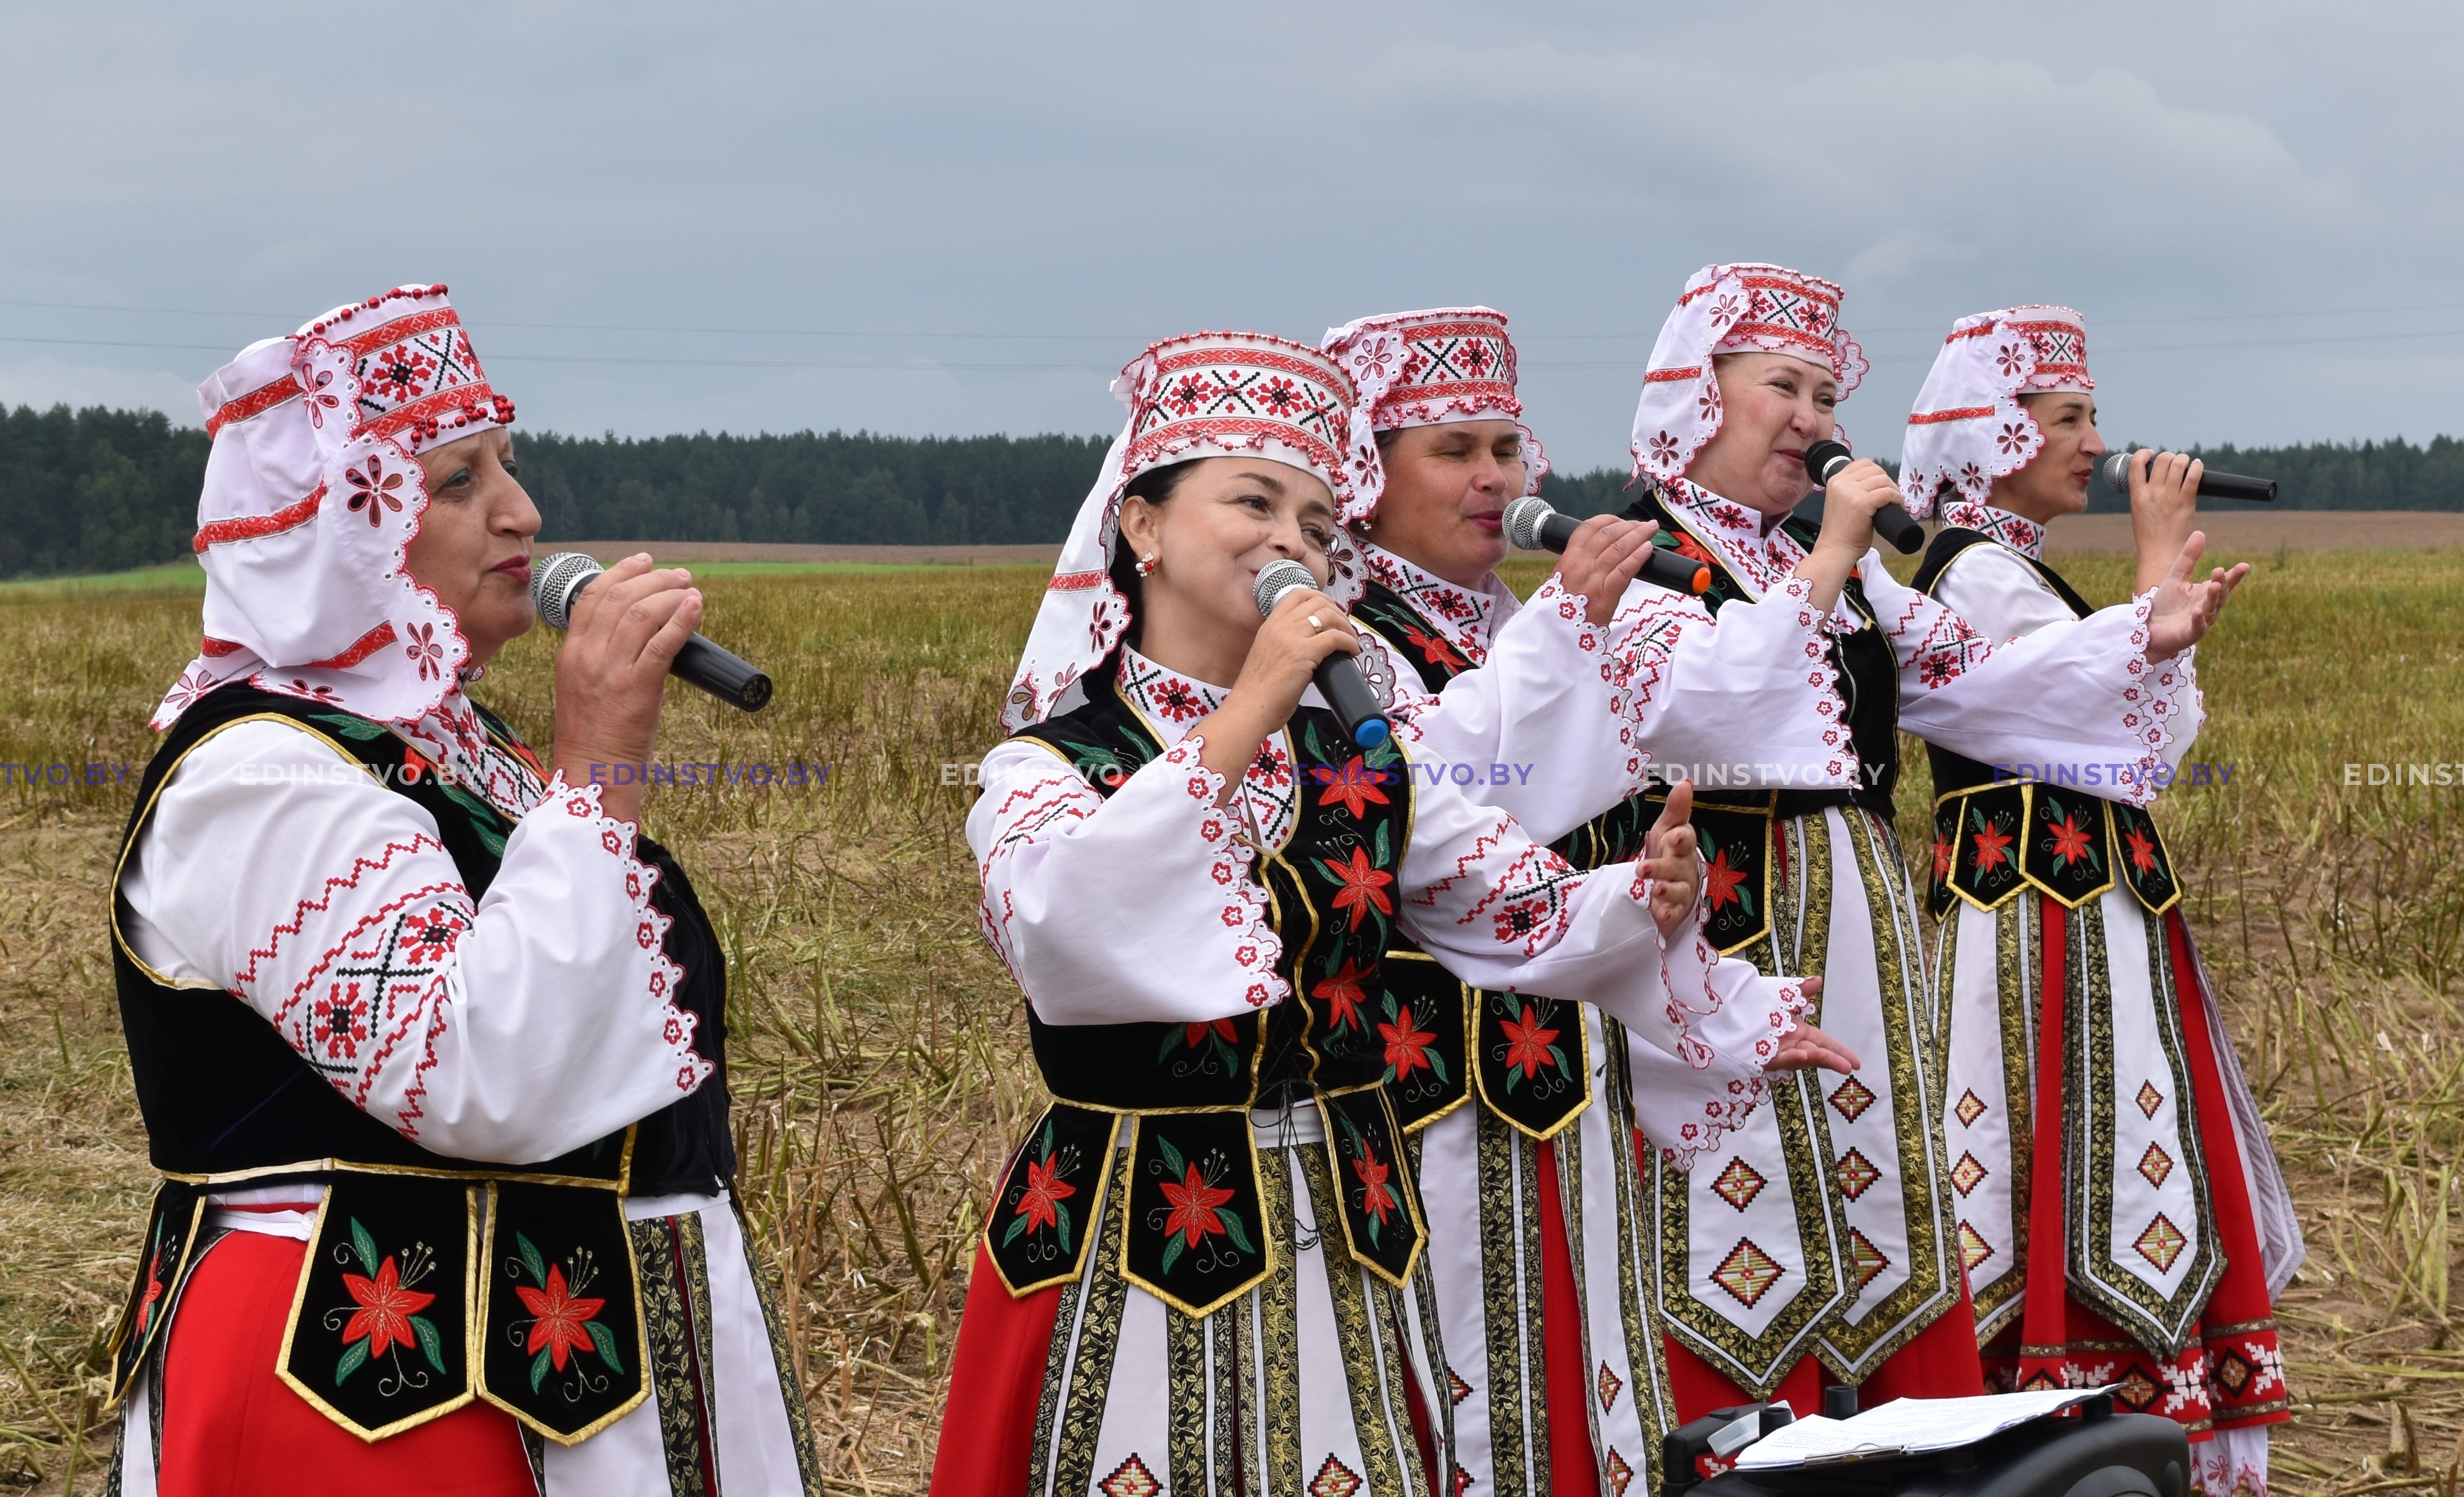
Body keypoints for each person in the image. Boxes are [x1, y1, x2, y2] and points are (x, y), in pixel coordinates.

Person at [930, 330, 1840, 1497]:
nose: (1287, 542)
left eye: (1314, 524)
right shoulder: (1046, 767)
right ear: (1141, 526)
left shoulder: (1361, 754)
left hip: (1339, 1222)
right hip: (1132, 1231)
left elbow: (1507, 899)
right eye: (1251, 501)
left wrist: (1640, 902)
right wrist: (1252, 701)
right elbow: (1063, 932)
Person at [105, 286, 817, 1496]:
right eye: (456, 482)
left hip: (560, 1361)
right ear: (345, 524)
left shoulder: (445, 740)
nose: (523, 512)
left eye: (509, 464)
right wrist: (597, 769)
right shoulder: (262, 776)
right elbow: (471, 1072)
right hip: (382, 1403)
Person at [1619, 263, 2245, 1425]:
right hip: (1717, 932)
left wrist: (2136, 638)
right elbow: (1703, 717)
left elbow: (1990, 687)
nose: (1811, 420)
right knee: (1737, 1224)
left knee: (1876, 1214)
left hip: (1856, 933)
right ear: (1695, 399)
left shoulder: (1853, 577)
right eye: (1780, 388)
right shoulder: (1633, 559)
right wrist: (1826, 559)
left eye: (1822, 393)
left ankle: (1886, 1445)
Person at [1318, 307, 1854, 1496]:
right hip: (1421, 1102)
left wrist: (1692, 960)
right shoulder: (1346, 646)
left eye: (1506, 448)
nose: (1493, 477)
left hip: (1557, 1081)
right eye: (1452, 449)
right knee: (1454, 1388)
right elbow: (1434, 820)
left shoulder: (1519, 626)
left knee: (1578, 1378)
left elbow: (1589, 828)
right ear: (1364, 474)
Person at [1901, 307, 2290, 1496]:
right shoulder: (1973, 573)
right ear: (1992, 432)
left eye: (2087, 418)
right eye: (2065, 418)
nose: (2093, 443)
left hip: (2082, 903)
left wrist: (2155, 613)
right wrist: (2153, 569)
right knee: (2046, 1141)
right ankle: (2051, 1398)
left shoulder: (2016, 570)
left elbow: (2152, 740)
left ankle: (2111, 1396)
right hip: (2032, 917)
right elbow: (2104, 741)